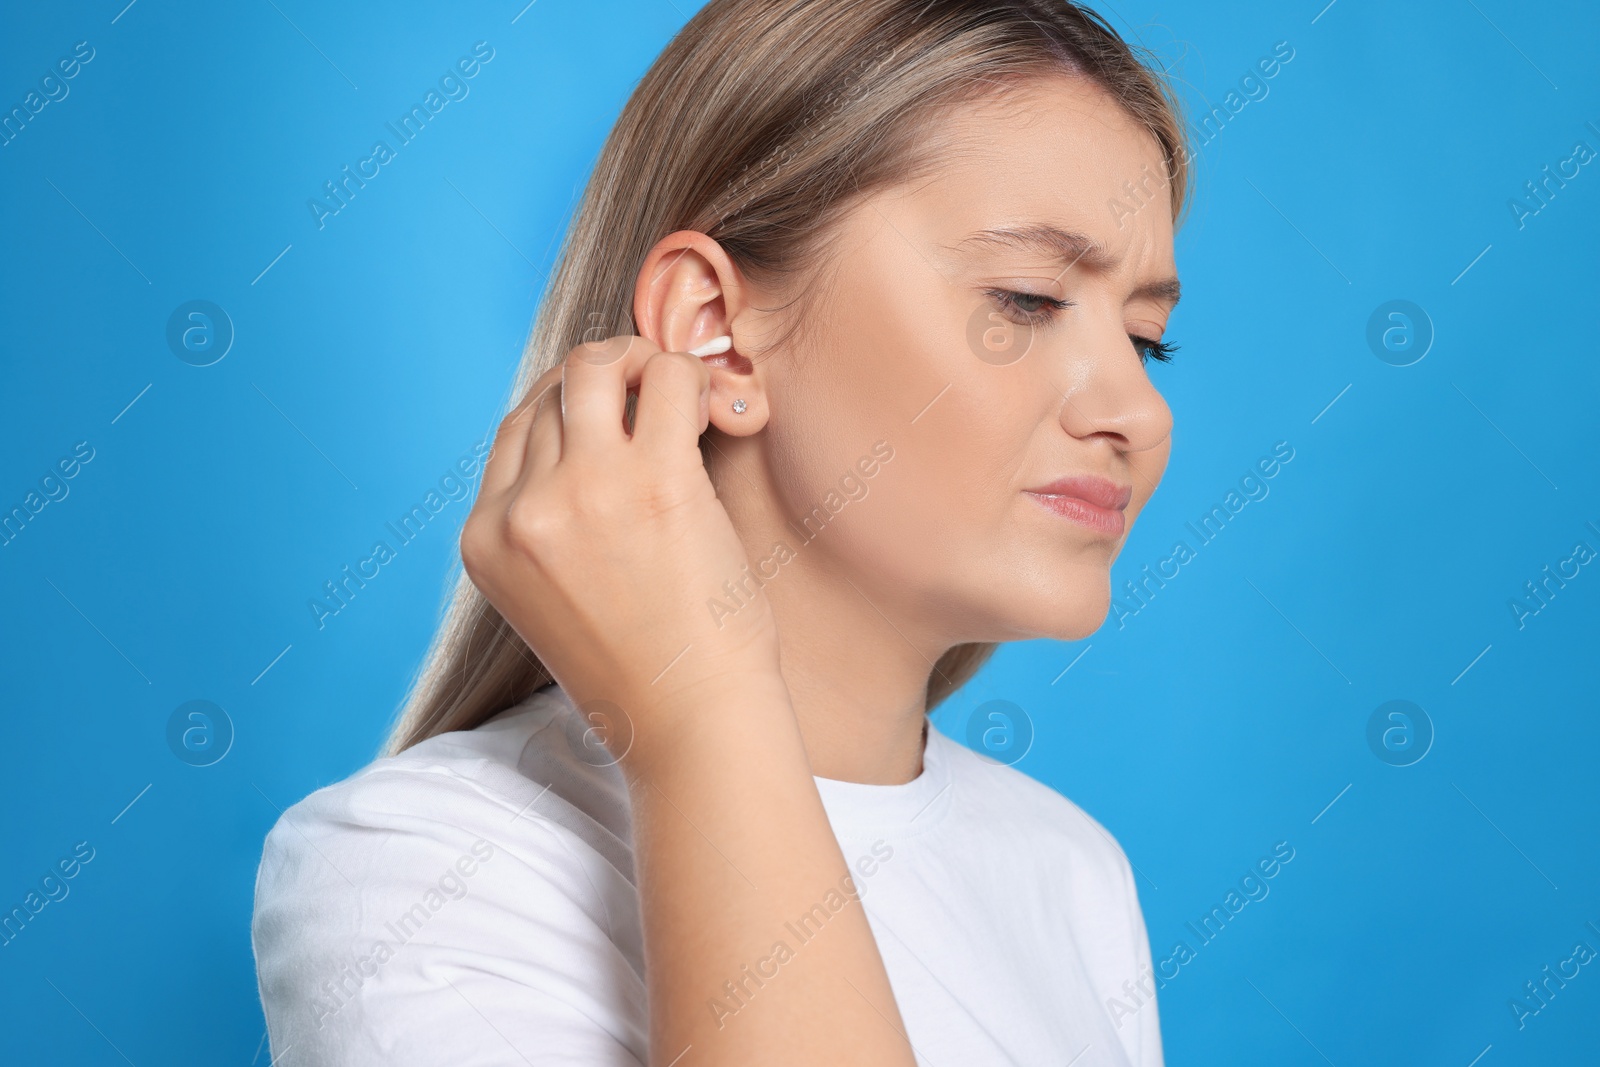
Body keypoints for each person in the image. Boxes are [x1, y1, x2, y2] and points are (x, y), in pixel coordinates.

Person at [252, 1, 1190, 1063]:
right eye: (1024, 300)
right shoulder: (421, 867)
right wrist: (698, 708)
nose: (1138, 411)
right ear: (716, 333)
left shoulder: (1067, 870)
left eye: (1147, 339)